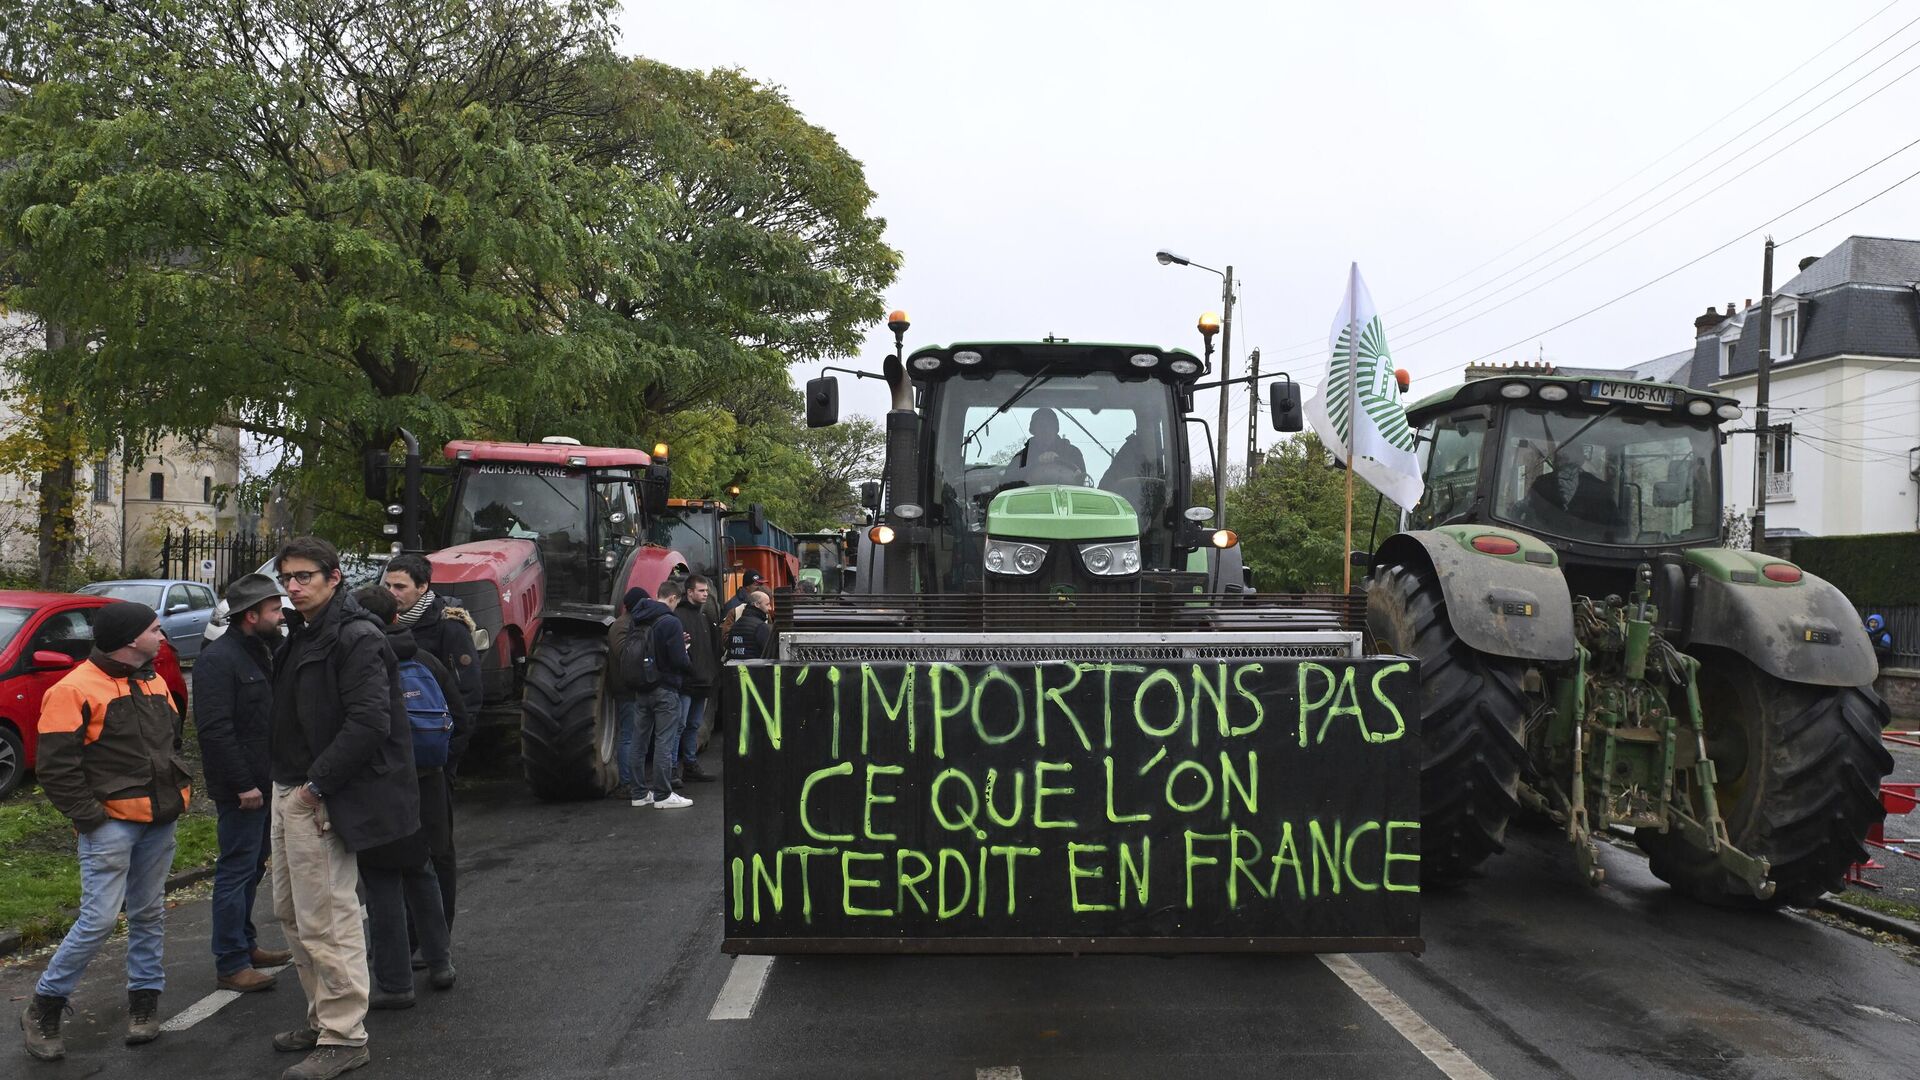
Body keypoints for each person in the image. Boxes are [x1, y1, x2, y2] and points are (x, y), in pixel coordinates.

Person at [269, 536, 421, 1080]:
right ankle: (321, 1019)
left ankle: (343, 1036)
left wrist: (315, 789)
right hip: (290, 789)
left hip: (322, 794)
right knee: (292, 913)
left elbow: (369, 723)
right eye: (287, 578)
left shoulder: (355, 637)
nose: (292, 587)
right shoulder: (304, 633)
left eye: (304, 576)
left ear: (335, 578)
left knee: (328, 918)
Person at [22, 602, 190, 1060]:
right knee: (97, 920)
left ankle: (144, 1005)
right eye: (156, 630)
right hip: (110, 826)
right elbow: (56, 768)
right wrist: (91, 818)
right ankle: (45, 1006)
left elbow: (169, 741)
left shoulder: (153, 678)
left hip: (159, 819)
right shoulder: (72, 689)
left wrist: (173, 797)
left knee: (149, 912)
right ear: (131, 638)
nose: (163, 637)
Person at [351, 586, 460, 1009]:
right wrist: (444, 768)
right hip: (425, 781)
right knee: (422, 872)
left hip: (378, 785)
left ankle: (395, 982)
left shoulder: (361, 658)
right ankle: (440, 961)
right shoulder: (422, 656)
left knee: (380, 885)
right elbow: (461, 714)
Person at [194, 573, 295, 994]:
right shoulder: (219, 660)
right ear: (251, 616)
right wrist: (243, 785)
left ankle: (246, 944)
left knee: (252, 867)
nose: (281, 616)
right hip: (243, 790)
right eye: (274, 610)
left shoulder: (266, 651)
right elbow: (215, 732)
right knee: (235, 871)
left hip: (265, 781)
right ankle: (231, 962)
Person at [383, 554, 475, 928]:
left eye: (400, 586)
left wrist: (448, 757)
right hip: (398, 766)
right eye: (387, 586)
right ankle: (408, 932)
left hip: (435, 764)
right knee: (402, 850)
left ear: (422, 587)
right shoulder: (382, 628)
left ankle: (438, 931)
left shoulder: (447, 628)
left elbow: (468, 699)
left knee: (438, 851)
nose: (392, 593)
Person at [613, 581, 692, 809]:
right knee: (663, 742)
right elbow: (678, 660)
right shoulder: (670, 621)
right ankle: (663, 795)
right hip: (665, 689)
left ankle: (639, 793)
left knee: (639, 742)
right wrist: (686, 655)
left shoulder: (637, 619)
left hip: (641, 688)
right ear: (673, 598)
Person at [674, 575, 719, 784]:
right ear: (689, 592)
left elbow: (708, 649)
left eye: (706, 591)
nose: (705, 595)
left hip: (702, 682)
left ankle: (689, 765)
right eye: (701, 591)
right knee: (679, 726)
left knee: (693, 725)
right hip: (686, 683)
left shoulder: (703, 617)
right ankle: (673, 768)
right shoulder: (679, 617)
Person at [1016, 407, 1086, 485]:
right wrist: (1036, 462)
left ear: (1056, 429)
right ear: (1033, 430)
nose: (1045, 430)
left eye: (1049, 426)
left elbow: (1083, 481)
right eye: (1040, 426)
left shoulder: (1073, 453)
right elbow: (1005, 483)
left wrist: (1059, 460)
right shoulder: (1022, 457)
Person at [726, 590, 775, 663]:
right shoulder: (761, 627)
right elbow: (770, 653)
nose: (770, 608)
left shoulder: (736, 624)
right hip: (755, 670)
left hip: (737, 670)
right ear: (757, 605)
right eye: (767, 604)